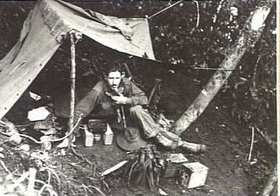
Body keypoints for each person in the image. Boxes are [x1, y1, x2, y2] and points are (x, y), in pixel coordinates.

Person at [71, 63, 206, 153]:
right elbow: (79, 111)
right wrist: (71, 135)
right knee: (141, 119)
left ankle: (176, 142)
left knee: (136, 109)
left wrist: (126, 100)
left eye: (117, 78)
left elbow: (144, 99)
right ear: (106, 78)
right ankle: (178, 143)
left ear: (122, 76)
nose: (114, 82)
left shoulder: (127, 84)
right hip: (111, 124)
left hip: (130, 120)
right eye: (111, 78)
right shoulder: (98, 89)